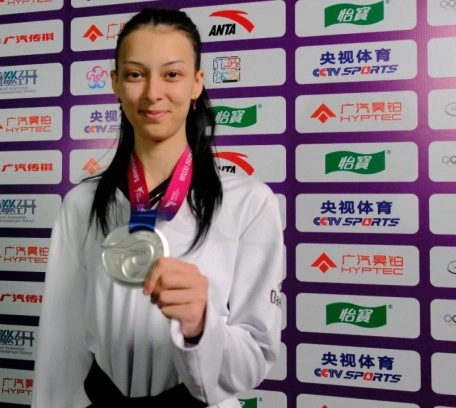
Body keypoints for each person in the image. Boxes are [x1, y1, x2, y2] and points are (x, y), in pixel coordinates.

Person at [33, 8, 284, 408]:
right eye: (135, 74)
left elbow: (255, 355)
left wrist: (201, 325)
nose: (153, 93)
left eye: (172, 74)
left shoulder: (249, 202)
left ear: (196, 83)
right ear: (115, 84)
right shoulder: (82, 204)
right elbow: (60, 346)